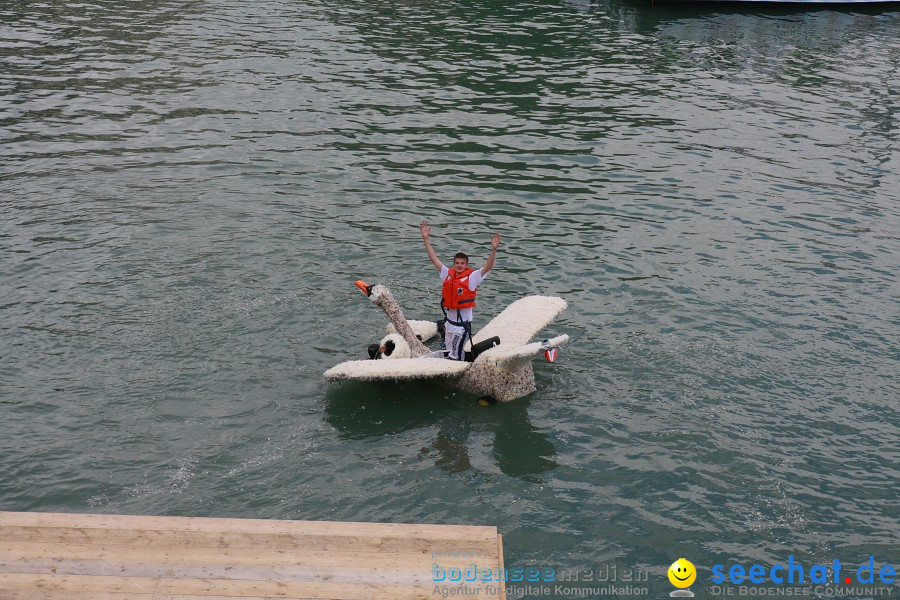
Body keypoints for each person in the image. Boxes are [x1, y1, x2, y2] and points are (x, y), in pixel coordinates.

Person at [420, 220, 500, 360]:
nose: (459, 265)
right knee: (450, 352)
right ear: (453, 264)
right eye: (457, 263)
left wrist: (494, 249)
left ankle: (459, 367)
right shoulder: (448, 274)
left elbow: (488, 267)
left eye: (462, 263)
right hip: (449, 325)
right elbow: (434, 259)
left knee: (455, 356)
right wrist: (426, 238)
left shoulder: (472, 277)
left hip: (461, 327)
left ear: (466, 265)